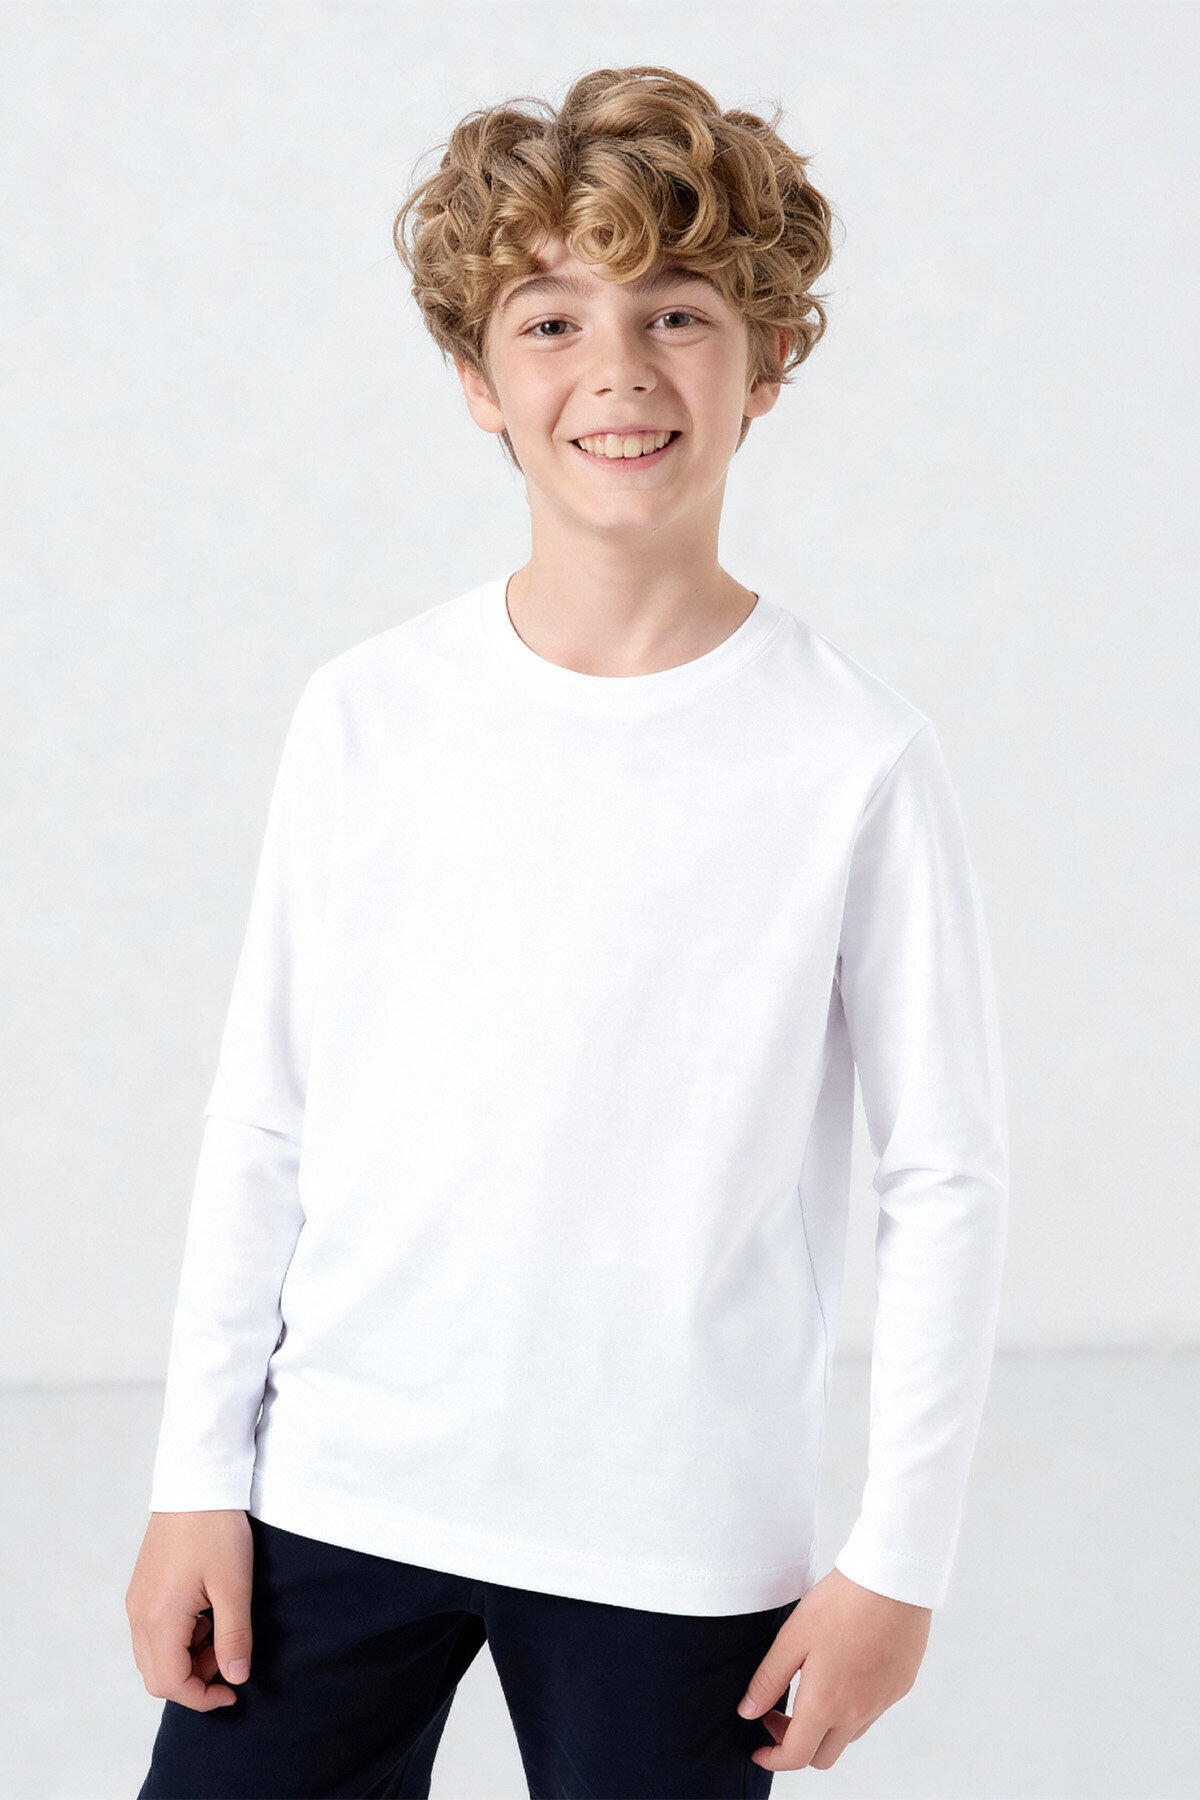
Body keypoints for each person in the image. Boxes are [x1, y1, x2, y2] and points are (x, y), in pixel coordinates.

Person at [126, 63, 1009, 1799]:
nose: (618, 369)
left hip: (673, 1538)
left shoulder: (854, 758)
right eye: (550, 321)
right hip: (337, 1492)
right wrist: (192, 1477)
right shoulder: (366, 713)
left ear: (767, 358)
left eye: (677, 312)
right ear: (477, 379)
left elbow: (946, 1176)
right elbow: (267, 1114)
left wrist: (897, 1566)